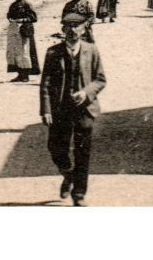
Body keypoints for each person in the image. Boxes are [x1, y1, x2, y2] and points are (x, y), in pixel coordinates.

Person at [40, 15, 106, 206]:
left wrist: (86, 93)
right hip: (60, 109)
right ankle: (68, 175)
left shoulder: (91, 51)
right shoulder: (53, 52)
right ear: (63, 30)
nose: (72, 30)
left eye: (76, 26)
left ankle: (79, 194)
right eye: (68, 26)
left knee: (82, 152)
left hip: (84, 110)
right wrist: (46, 110)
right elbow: (46, 83)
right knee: (55, 148)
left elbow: (100, 79)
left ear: (84, 29)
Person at [5, 0, 40, 81]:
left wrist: (22, 20)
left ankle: (26, 75)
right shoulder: (13, 5)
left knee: (25, 51)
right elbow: (9, 15)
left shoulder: (27, 4)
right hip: (15, 30)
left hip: (25, 30)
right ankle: (20, 74)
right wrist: (10, 19)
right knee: (16, 52)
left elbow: (34, 18)